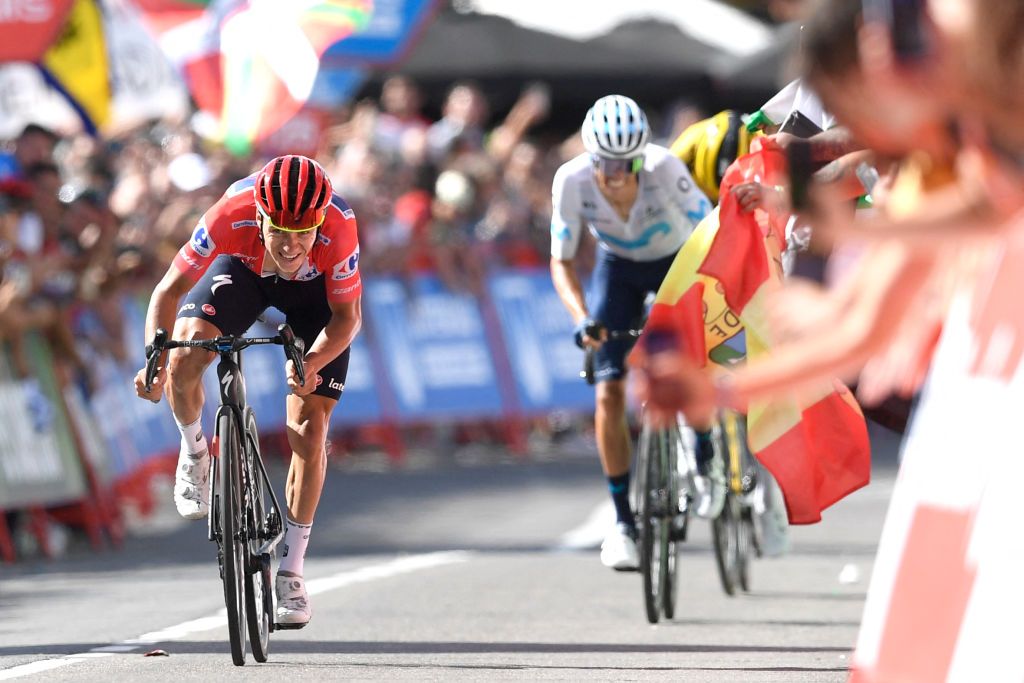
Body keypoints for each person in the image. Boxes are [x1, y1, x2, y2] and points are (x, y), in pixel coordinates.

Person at [133, 154, 362, 629]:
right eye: (279, 228)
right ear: (259, 213)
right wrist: (153, 360)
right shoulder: (230, 212)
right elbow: (167, 292)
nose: (292, 243)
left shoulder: (338, 228)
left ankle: (292, 571)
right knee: (185, 355)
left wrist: (312, 363)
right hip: (244, 274)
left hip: (315, 297)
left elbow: (347, 318)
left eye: (304, 231)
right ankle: (196, 453)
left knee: (310, 426)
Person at [549, 94, 717, 571]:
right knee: (607, 394)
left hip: (676, 263)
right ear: (590, 155)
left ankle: (703, 446)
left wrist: (707, 295)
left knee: (688, 361)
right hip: (618, 270)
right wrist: (581, 317)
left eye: (629, 162)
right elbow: (561, 260)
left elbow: (709, 231)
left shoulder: (664, 169)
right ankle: (623, 523)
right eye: (607, 162)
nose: (619, 173)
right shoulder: (572, 181)